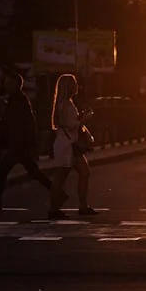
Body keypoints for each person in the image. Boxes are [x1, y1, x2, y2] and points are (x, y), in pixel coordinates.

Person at [0, 73, 52, 211]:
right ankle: (58, 193)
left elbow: (21, 124)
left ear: (15, 84)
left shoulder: (18, 101)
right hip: (19, 145)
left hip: (17, 145)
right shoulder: (17, 100)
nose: (5, 85)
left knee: (3, 170)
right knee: (34, 172)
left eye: (8, 83)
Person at [47, 73, 96, 219]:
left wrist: (79, 118)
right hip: (67, 145)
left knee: (84, 172)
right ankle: (54, 209)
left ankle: (83, 206)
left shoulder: (66, 102)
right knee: (61, 177)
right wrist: (83, 119)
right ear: (69, 86)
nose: (77, 86)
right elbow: (70, 124)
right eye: (74, 83)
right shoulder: (66, 104)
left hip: (69, 144)